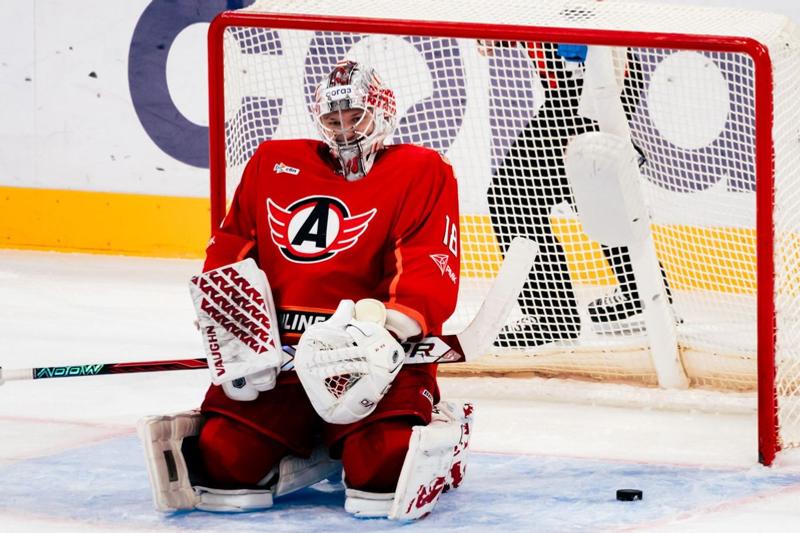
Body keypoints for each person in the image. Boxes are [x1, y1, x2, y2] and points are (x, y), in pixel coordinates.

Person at [138, 60, 466, 519]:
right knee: (222, 463)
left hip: (370, 362)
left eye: (356, 117)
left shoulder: (420, 170)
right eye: (333, 119)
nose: (345, 130)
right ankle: (313, 449)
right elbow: (232, 247)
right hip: (282, 362)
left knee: (381, 471)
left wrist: (385, 331)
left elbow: (428, 263)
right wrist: (232, 325)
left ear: (382, 113)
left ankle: (442, 430)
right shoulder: (272, 163)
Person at [484, 41, 655, 347]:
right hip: (586, 83)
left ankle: (552, 316)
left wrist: (586, 120)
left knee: (510, 193)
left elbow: (577, 42)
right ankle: (645, 290)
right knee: (588, 187)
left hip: (588, 83)